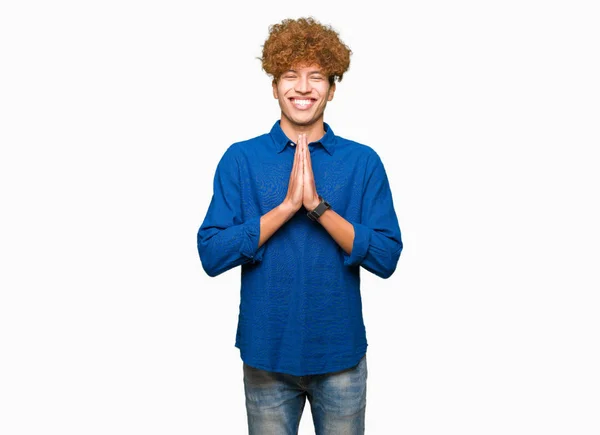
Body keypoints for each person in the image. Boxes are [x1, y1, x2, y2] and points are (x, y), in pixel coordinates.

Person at [197, 17, 402, 435]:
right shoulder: (240, 159)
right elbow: (211, 254)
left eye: (316, 77)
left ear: (332, 86)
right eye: (290, 76)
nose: (303, 88)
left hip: (339, 357)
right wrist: (287, 208)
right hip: (267, 357)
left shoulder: (363, 162)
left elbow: (386, 257)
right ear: (274, 86)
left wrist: (319, 209)